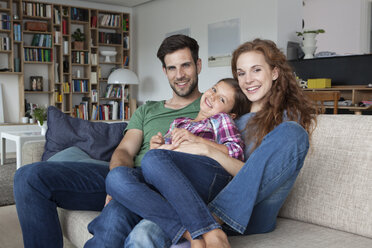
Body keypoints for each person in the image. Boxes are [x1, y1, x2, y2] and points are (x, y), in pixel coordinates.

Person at [121, 38, 317, 248]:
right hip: (205, 202)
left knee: (294, 133)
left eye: (256, 70)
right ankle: (203, 226)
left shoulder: (286, 121)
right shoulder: (227, 118)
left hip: (253, 213)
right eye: (241, 73)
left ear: (275, 73)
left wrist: (208, 150)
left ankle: (210, 221)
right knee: (142, 234)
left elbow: (255, 174)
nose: (248, 79)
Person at [13, 34, 204, 248]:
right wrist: (117, 183)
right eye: (172, 68)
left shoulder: (212, 107)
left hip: (163, 183)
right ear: (164, 71)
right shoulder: (148, 109)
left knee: (115, 217)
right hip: (124, 174)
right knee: (28, 177)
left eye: (185, 65)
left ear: (198, 65)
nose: (179, 75)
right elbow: (124, 151)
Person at [103, 78, 249, 247]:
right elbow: (159, 159)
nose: (213, 97)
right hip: (167, 181)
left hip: (201, 174)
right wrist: (156, 147)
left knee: (153, 159)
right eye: (214, 89)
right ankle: (192, 235)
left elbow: (235, 152)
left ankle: (207, 229)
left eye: (222, 99)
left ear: (231, 114)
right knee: (115, 177)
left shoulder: (220, 120)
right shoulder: (180, 122)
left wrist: (197, 141)